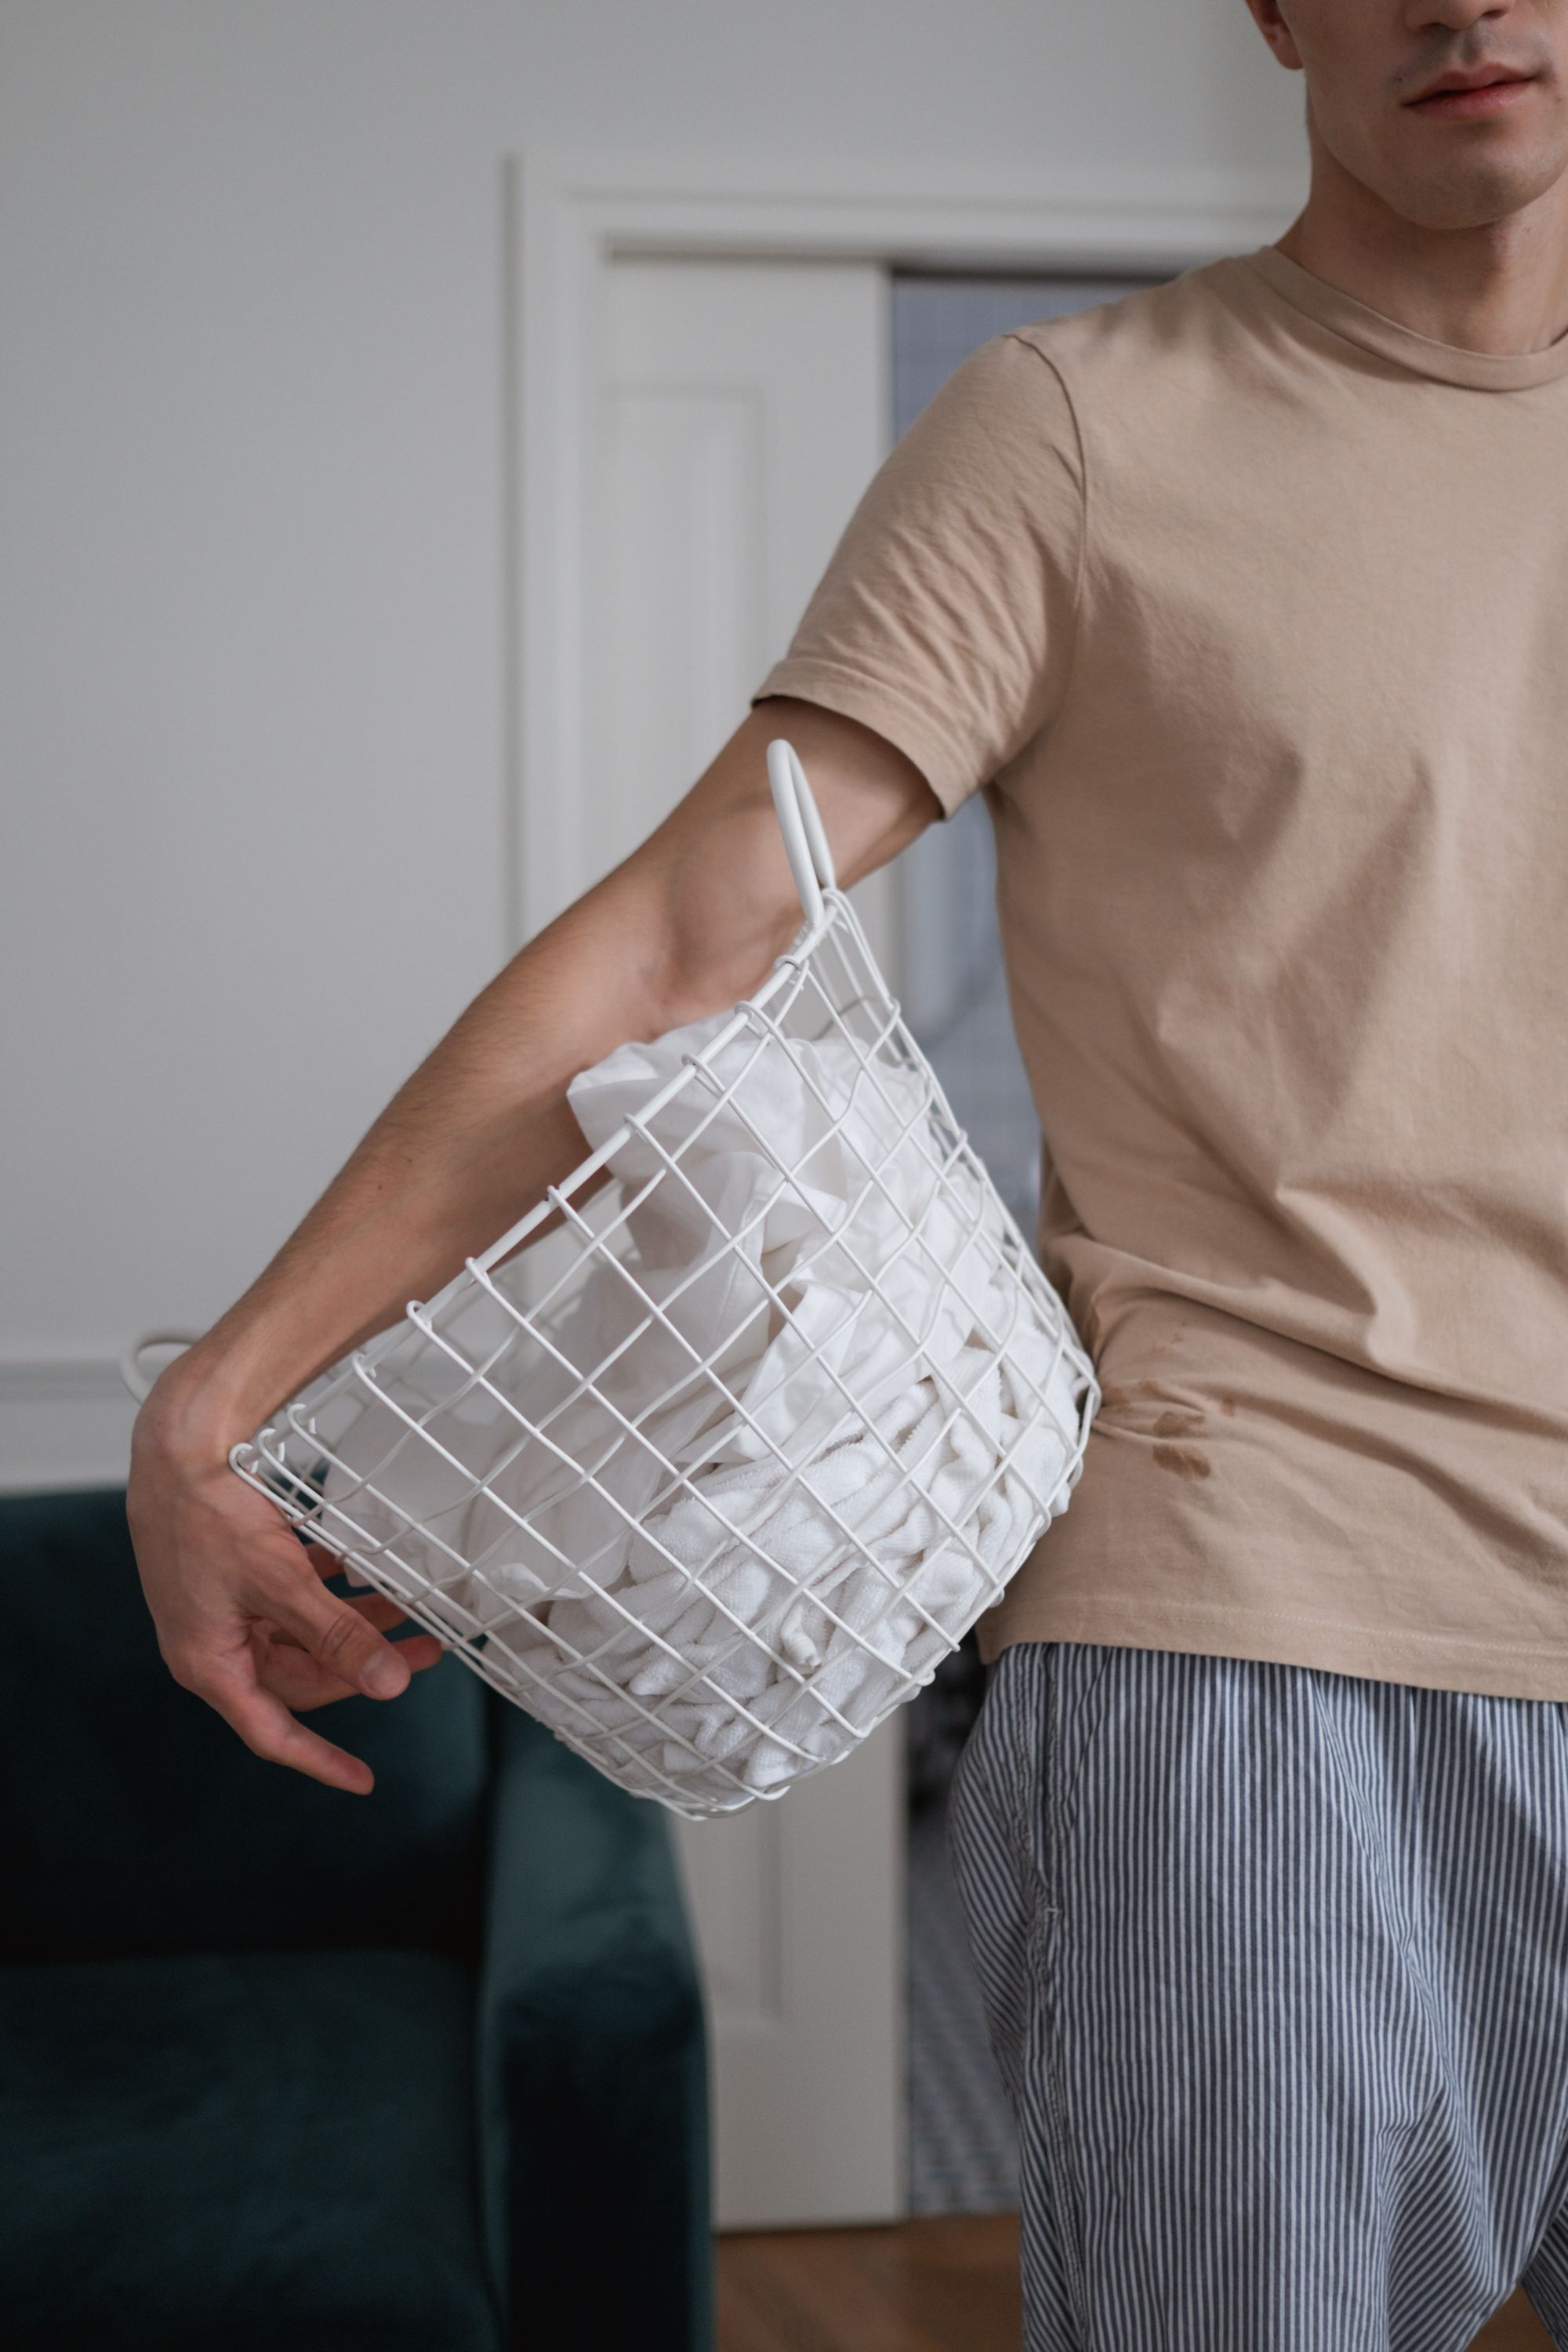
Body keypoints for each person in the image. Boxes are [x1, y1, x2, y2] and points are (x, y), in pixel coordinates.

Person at [129, 0, 1568, 2341]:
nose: (1471, 2)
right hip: (1264, 1625)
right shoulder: (1085, 430)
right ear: (1277, 7)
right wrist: (224, 1406)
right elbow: (699, 930)